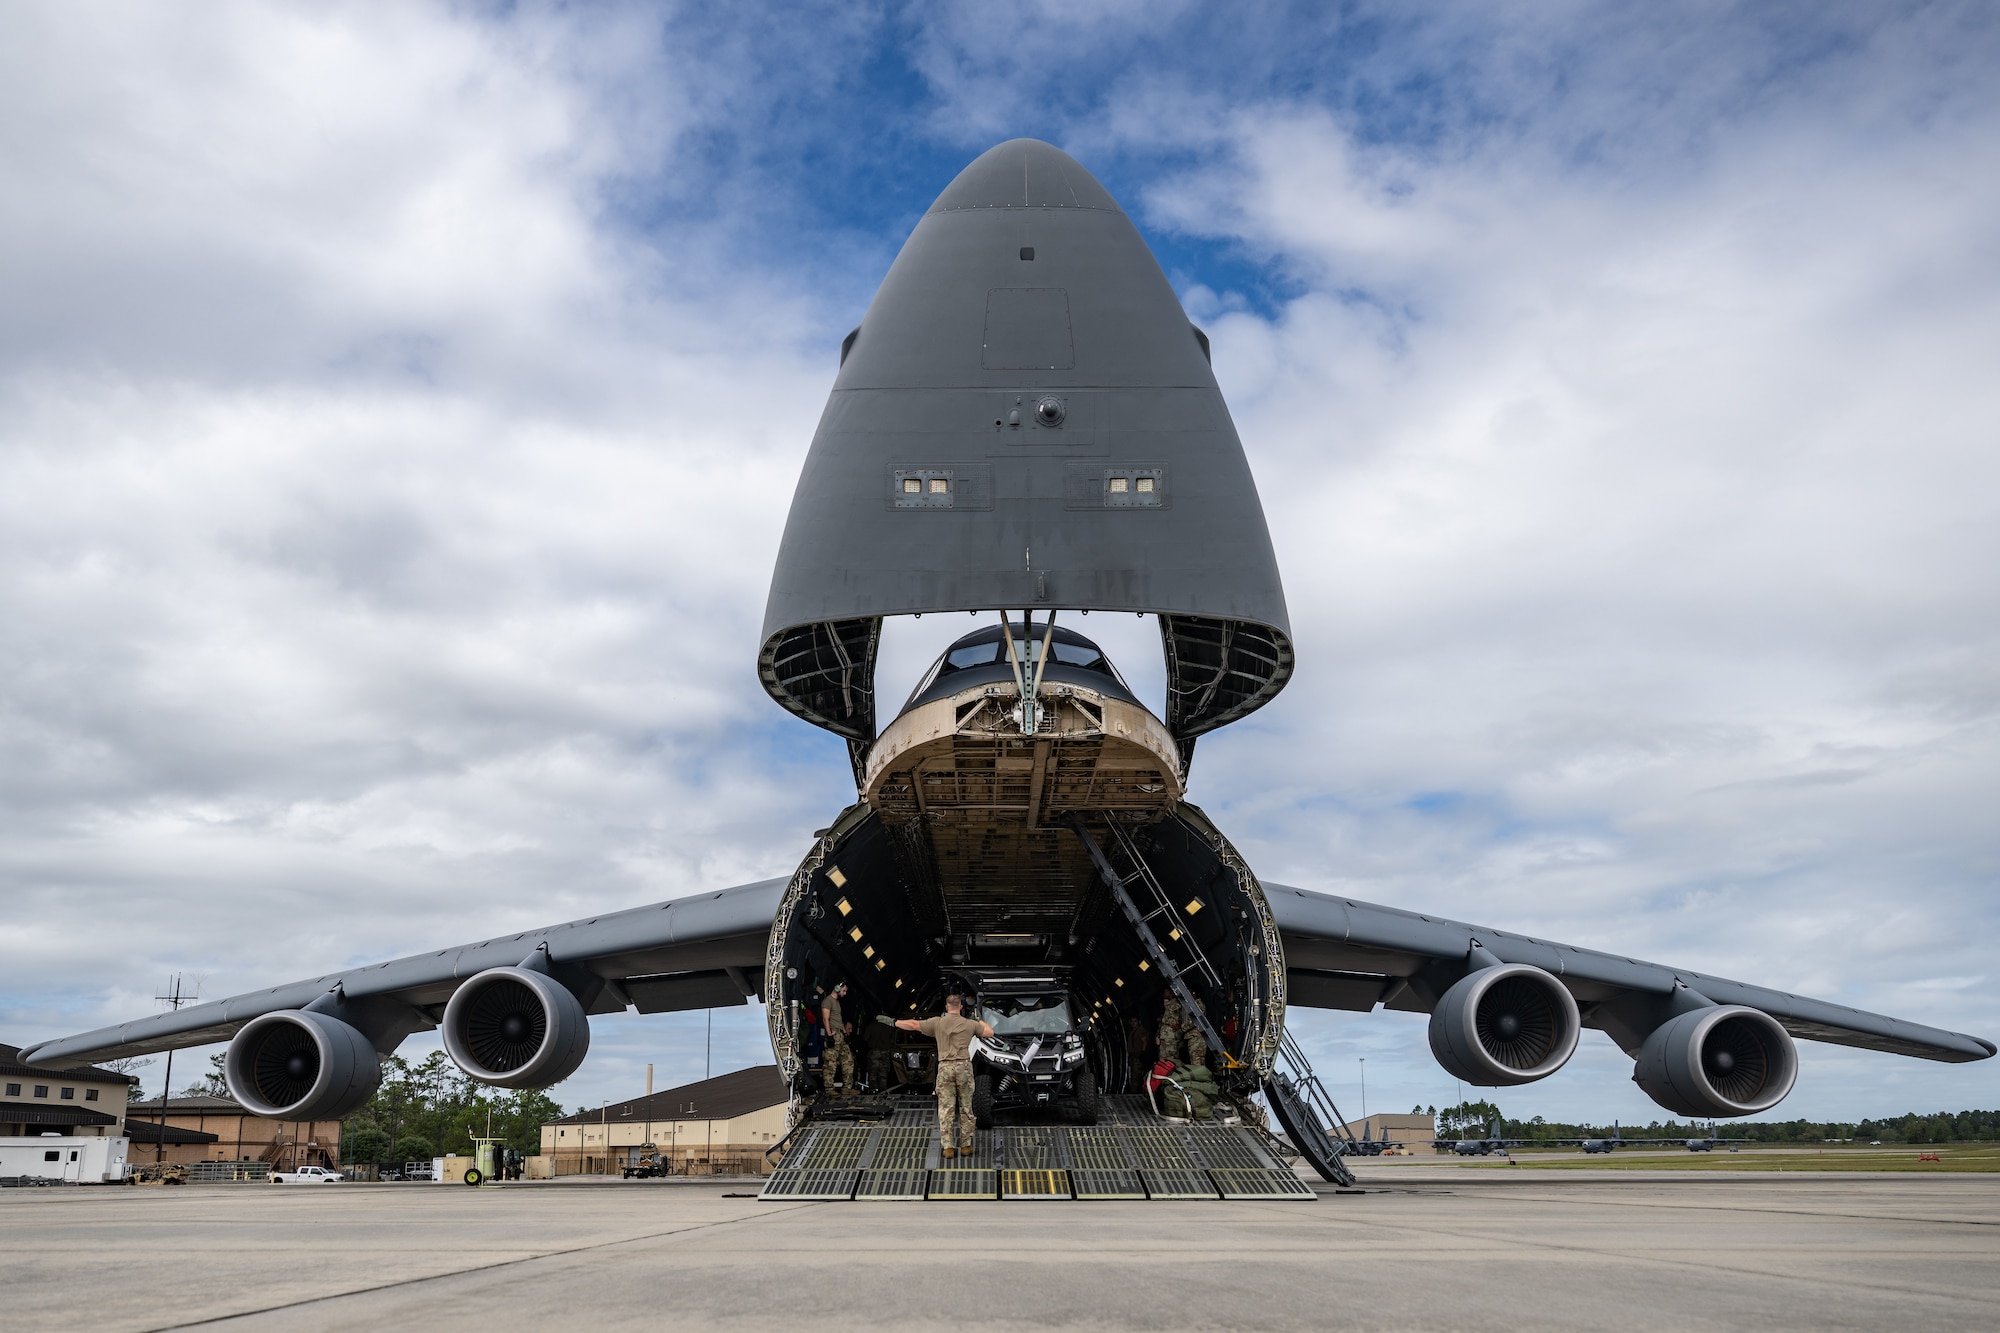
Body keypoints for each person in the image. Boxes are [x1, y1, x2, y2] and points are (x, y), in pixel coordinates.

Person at [896, 994, 993, 1159]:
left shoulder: (937, 1023)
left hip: (945, 1067)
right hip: (964, 1067)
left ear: (946, 1007)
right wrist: (979, 1019)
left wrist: (894, 1022)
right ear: (961, 1006)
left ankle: (948, 1148)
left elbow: (913, 1025)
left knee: (946, 1109)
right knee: (966, 1107)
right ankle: (966, 1146)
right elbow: (989, 1032)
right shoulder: (970, 1024)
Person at [820, 982, 854, 1096]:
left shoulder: (837, 1002)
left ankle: (847, 1088)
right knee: (830, 1063)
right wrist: (829, 1036)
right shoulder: (827, 1001)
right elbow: (826, 1019)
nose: (845, 993)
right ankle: (829, 1089)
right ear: (837, 988)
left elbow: (839, 1020)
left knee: (848, 1061)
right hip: (833, 1034)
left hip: (840, 1035)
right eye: (844, 990)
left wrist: (845, 1033)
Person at [1156, 992, 1185, 1067]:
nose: (1165, 1004)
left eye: (1166, 1001)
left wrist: (1163, 1020)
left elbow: (1175, 1022)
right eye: (1164, 1002)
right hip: (1165, 1038)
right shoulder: (1167, 1009)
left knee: (1172, 1060)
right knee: (1163, 1060)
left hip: (1171, 1037)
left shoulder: (1175, 1004)